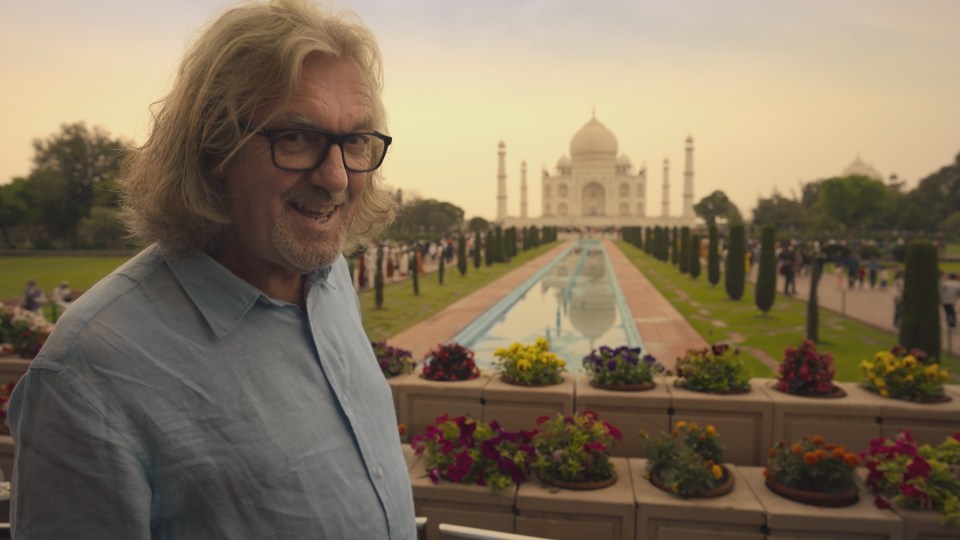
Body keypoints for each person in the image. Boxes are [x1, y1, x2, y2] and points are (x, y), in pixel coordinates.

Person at [8, 1, 415, 538]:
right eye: (295, 137)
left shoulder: (327, 276)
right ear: (211, 148)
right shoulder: (89, 376)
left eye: (355, 141)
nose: (337, 177)